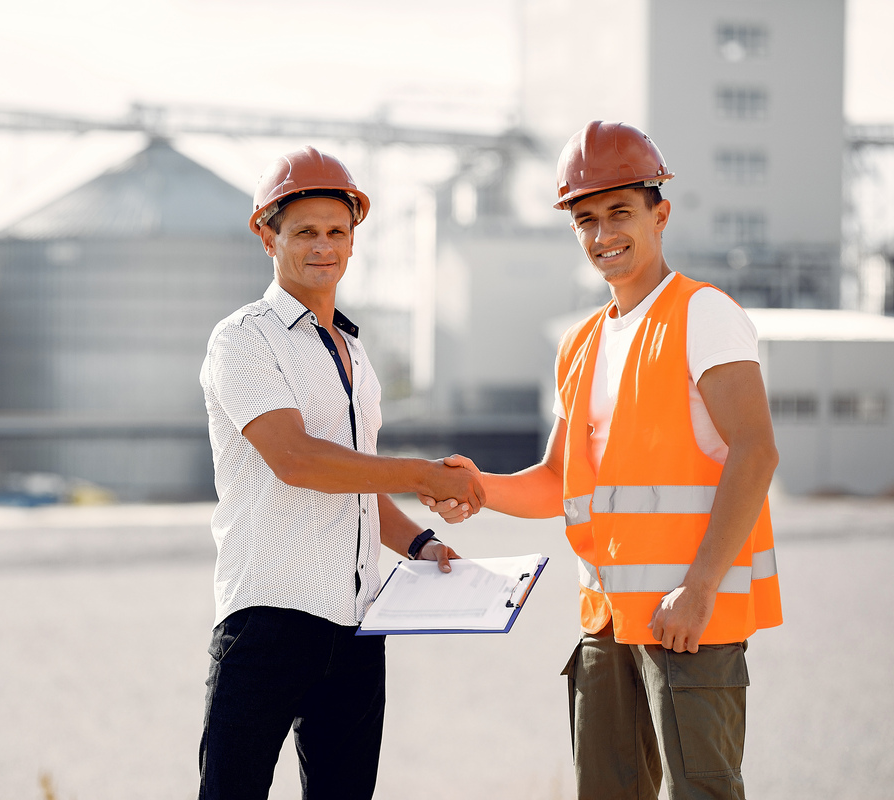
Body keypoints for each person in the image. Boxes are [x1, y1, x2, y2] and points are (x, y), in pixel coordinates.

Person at [422, 121, 783, 799]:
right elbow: (559, 481)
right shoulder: (582, 343)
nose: (602, 234)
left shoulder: (703, 314)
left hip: (688, 621)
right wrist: (476, 486)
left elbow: (757, 451)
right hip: (606, 620)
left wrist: (700, 588)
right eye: (585, 219)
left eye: (620, 213)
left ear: (660, 213)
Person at [197, 145, 484, 800]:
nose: (323, 247)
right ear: (266, 235)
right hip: (268, 621)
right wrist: (423, 474)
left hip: (357, 627)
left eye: (336, 232)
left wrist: (420, 542)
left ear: (354, 239)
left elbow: (354, 485)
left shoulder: (355, 353)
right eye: (304, 232)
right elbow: (297, 461)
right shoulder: (243, 338)